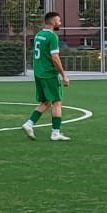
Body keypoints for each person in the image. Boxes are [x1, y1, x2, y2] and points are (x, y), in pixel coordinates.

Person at [21, 11, 71, 141]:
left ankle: (29, 123)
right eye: (59, 21)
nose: (60, 23)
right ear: (53, 22)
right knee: (57, 102)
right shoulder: (52, 37)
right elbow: (55, 57)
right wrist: (63, 75)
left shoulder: (39, 35)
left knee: (46, 102)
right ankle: (55, 133)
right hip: (49, 74)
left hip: (39, 73)